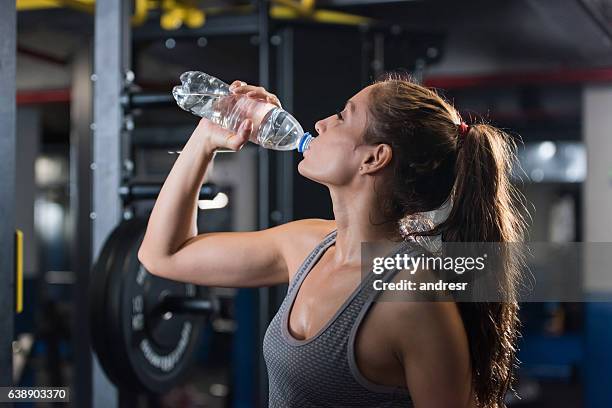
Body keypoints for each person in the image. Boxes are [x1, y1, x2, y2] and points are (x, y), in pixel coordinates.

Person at [138, 73, 527, 408]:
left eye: (343, 117)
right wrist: (205, 139)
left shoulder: (412, 296)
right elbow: (164, 255)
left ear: (374, 159)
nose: (322, 123)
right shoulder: (308, 244)